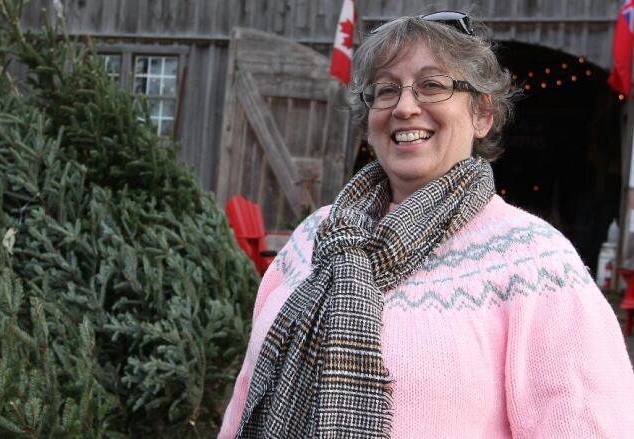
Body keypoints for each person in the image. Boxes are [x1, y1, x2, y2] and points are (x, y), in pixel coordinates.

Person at [218, 11, 634, 439]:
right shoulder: (312, 239)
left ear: (482, 114)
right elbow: (247, 397)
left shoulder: (535, 263)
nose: (404, 106)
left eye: (432, 85)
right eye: (386, 90)